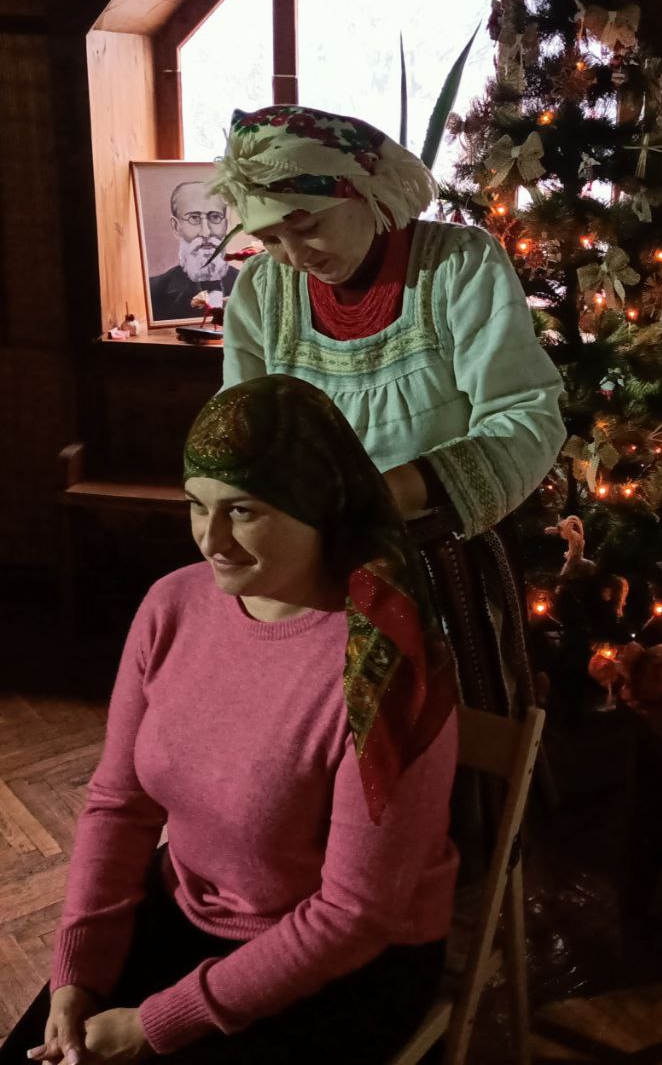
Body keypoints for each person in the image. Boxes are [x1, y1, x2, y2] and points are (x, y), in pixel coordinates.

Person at [11, 375, 457, 1065]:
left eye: (242, 511)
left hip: (344, 964)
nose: (210, 539)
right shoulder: (172, 606)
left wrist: (154, 1024)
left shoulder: (385, 668)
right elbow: (119, 805)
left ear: (319, 506)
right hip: (188, 910)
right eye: (197, 506)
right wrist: (78, 975)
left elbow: (354, 914)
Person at [212, 105, 566, 541]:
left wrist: (389, 495)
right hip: (307, 548)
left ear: (365, 191)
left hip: (441, 547)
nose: (297, 258)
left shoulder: (457, 265)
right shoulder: (262, 289)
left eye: (307, 227)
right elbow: (242, 428)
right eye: (270, 239)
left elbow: (524, 414)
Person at [149, 183, 239, 321]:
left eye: (215, 217)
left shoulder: (250, 285)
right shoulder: (154, 290)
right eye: (194, 218)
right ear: (176, 227)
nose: (206, 232)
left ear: (225, 225)